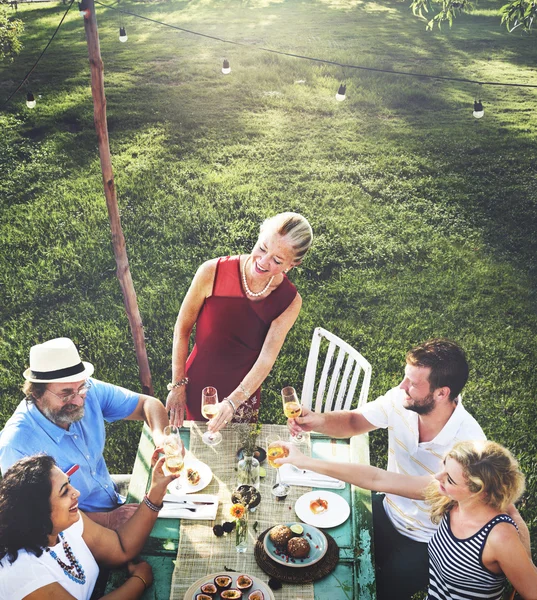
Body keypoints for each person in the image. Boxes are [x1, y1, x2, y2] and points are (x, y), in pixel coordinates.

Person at [288, 338, 486, 600]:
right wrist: (316, 420)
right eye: (405, 378)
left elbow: (380, 479)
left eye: (413, 384)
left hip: (429, 540)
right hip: (386, 510)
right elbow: (353, 421)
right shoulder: (401, 400)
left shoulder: (470, 444)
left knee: (371, 593)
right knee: (325, 554)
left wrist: (306, 462)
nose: (402, 386)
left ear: (442, 393)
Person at [276, 439, 537, 600]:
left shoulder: (500, 537)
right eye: (444, 467)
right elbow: (377, 479)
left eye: (450, 478)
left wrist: (518, 529)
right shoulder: (450, 498)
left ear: (479, 491)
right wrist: (305, 461)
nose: (437, 478)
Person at [0, 337, 169, 528]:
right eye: (66, 394)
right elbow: (36, 518)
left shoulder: (85, 388)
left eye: (81, 389)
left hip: (114, 498)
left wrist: (162, 440)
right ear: (36, 393)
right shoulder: (16, 446)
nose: (79, 401)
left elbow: (149, 404)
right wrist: (108, 520)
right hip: (78, 531)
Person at [166, 212, 313, 431]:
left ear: (292, 265)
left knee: (237, 458)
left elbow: (266, 359)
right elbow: (182, 329)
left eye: (277, 260)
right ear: (259, 235)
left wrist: (234, 401)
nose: (263, 262)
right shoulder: (211, 272)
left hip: (245, 392)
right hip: (198, 383)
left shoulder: (289, 302)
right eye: (262, 248)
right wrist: (178, 385)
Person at [0, 451, 178, 600]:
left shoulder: (66, 523)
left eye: (69, 483)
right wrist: (139, 580)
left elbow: (121, 548)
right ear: (39, 513)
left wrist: (156, 492)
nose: (75, 492)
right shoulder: (23, 573)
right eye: (64, 492)